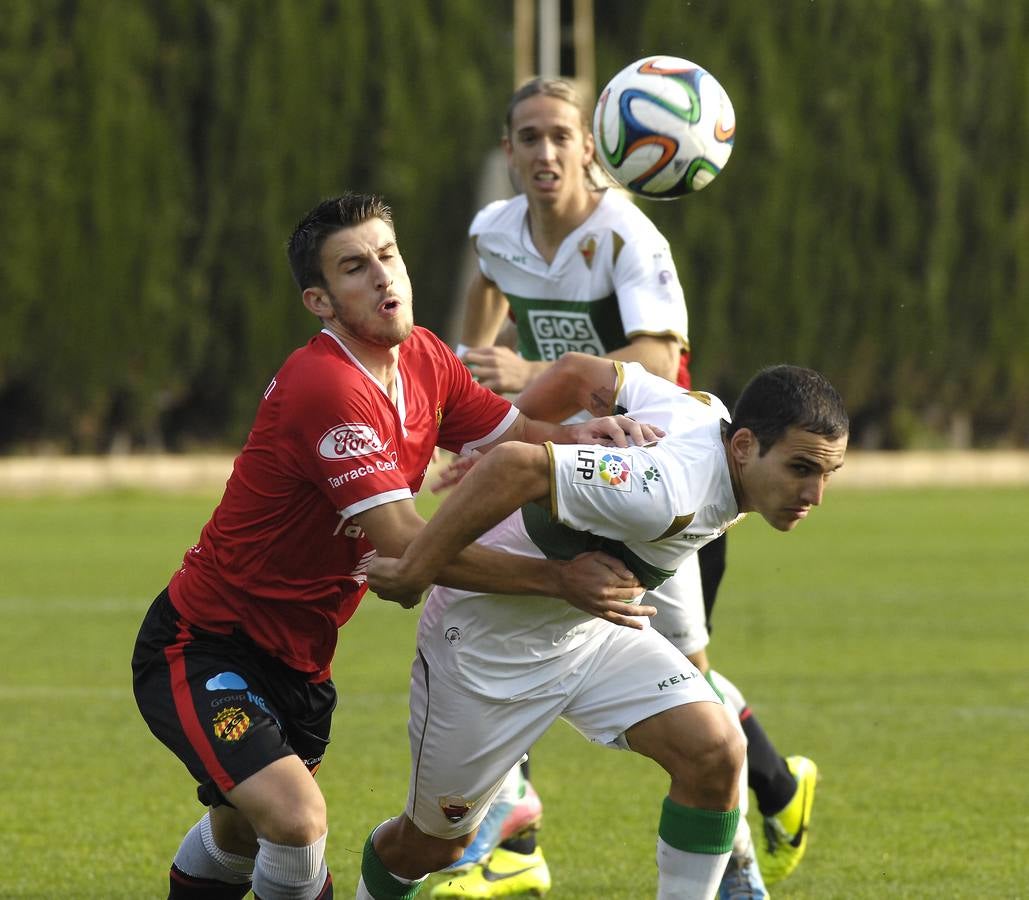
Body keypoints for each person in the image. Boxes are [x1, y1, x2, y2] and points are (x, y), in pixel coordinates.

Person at [131, 193, 662, 900]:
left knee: (238, 835)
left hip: (302, 658)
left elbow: (510, 433)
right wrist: (559, 579)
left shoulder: (424, 359)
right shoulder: (325, 387)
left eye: (388, 256)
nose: (383, 277)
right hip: (204, 644)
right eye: (355, 268)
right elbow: (410, 545)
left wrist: (579, 437)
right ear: (318, 301)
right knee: (294, 821)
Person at [446, 76, 813, 898]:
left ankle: (765, 817)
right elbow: (487, 283)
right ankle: (515, 835)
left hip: (656, 476)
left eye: (559, 137)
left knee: (688, 675)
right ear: (508, 151)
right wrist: (478, 392)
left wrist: (526, 371)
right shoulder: (494, 229)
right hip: (568, 460)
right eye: (528, 137)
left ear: (592, 149)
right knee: (511, 616)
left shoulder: (627, 239)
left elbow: (656, 357)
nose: (544, 152)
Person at [356, 353, 849, 900]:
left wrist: (516, 436)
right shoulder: (667, 493)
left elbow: (577, 373)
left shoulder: (703, 412)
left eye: (828, 473)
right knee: (429, 847)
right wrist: (413, 569)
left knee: (716, 753)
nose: (815, 494)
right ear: (744, 445)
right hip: (486, 648)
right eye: (801, 469)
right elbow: (516, 467)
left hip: (590, 634)